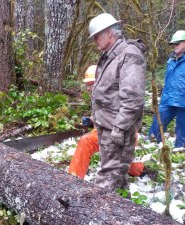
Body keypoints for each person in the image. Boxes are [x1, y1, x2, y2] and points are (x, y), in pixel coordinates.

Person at [88, 13, 146, 192]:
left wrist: (120, 129)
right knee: (117, 174)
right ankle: (122, 212)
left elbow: (133, 98)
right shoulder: (110, 55)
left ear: (109, 33)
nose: (95, 40)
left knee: (108, 176)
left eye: (97, 35)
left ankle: (97, 215)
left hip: (118, 128)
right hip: (107, 125)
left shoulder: (129, 55)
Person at [68, 65, 144, 180]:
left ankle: (73, 179)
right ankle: (134, 168)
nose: (88, 88)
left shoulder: (116, 95)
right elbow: (101, 115)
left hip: (122, 134)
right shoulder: (101, 94)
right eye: (87, 85)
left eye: (91, 84)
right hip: (108, 130)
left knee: (87, 143)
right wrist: (91, 121)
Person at [148, 30, 185, 148]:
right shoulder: (171, 60)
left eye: (177, 43)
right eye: (173, 44)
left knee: (182, 134)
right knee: (156, 128)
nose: (175, 46)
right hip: (168, 99)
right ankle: (151, 149)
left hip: (183, 102)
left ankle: (179, 158)